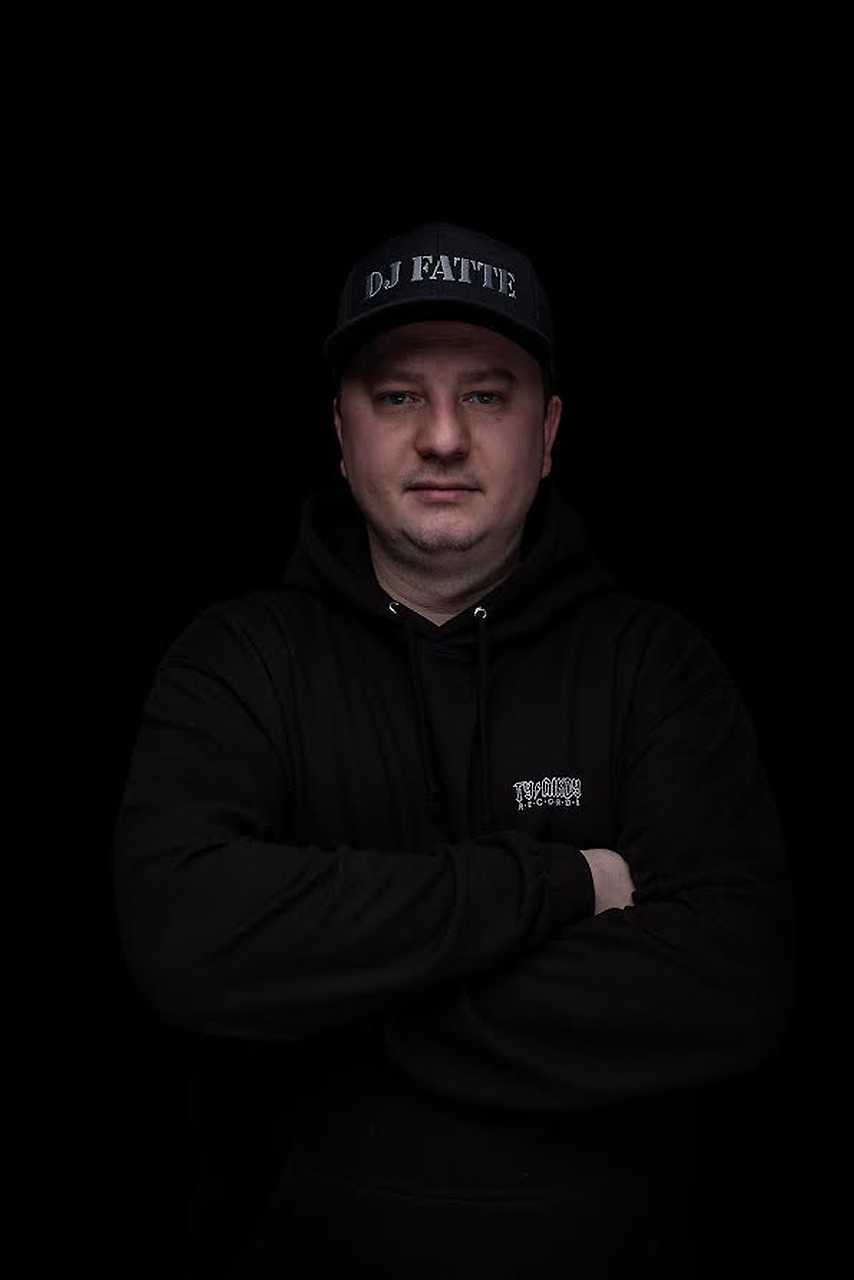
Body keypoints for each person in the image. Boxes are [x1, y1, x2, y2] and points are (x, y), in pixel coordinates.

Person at [113, 221, 798, 1278]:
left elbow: (734, 980)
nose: (441, 436)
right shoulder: (237, 663)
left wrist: (336, 991)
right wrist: (560, 884)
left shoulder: (655, 667)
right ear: (340, 430)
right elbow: (186, 939)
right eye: (397, 396)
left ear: (548, 431)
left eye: (485, 395)